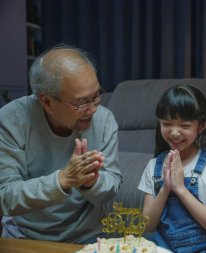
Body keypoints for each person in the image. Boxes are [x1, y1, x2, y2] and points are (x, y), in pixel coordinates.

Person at [0, 44, 123, 243]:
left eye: (97, 96)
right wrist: (63, 180)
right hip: (24, 235)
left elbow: (112, 186)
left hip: (88, 237)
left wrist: (90, 182)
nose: (92, 109)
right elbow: (5, 195)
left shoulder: (104, 120)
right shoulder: (11, 120)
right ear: (47, 102)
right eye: (82, 102)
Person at [138, 84, 206, 252]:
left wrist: (181, 189)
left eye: (184, 126)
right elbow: (147, 225)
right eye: (167, 124)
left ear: (202, 125)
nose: (174, 132)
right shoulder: (153, 167)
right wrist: (165, 189)